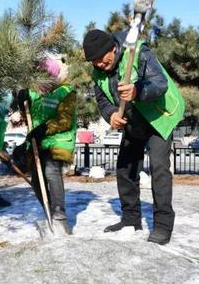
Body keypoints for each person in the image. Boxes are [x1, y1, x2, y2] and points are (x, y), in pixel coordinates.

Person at [83, 29, 185, 244]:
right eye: (94, 62)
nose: (99, 65)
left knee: (159, 167)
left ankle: (163, 225)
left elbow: (159, 83)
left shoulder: (137, 52)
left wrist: (137, 90)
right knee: (125, 168)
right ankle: (131, 219)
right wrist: (111, 115)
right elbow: (102, 100)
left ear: (112, 48)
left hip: (158, 115)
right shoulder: (98, 71)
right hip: (133, 119)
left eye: (102, 60)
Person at [15, 58, 77, 234]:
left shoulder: (66, 92)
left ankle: (59, 216)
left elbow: (64, 121)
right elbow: (27, 114)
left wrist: (43, 129)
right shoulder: (35, 92)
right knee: (36, 179)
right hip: (38, 141)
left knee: (51, 171)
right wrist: (21, 102)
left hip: (59, 140)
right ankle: (49, 211)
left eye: (46, 81)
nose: (42, 87)